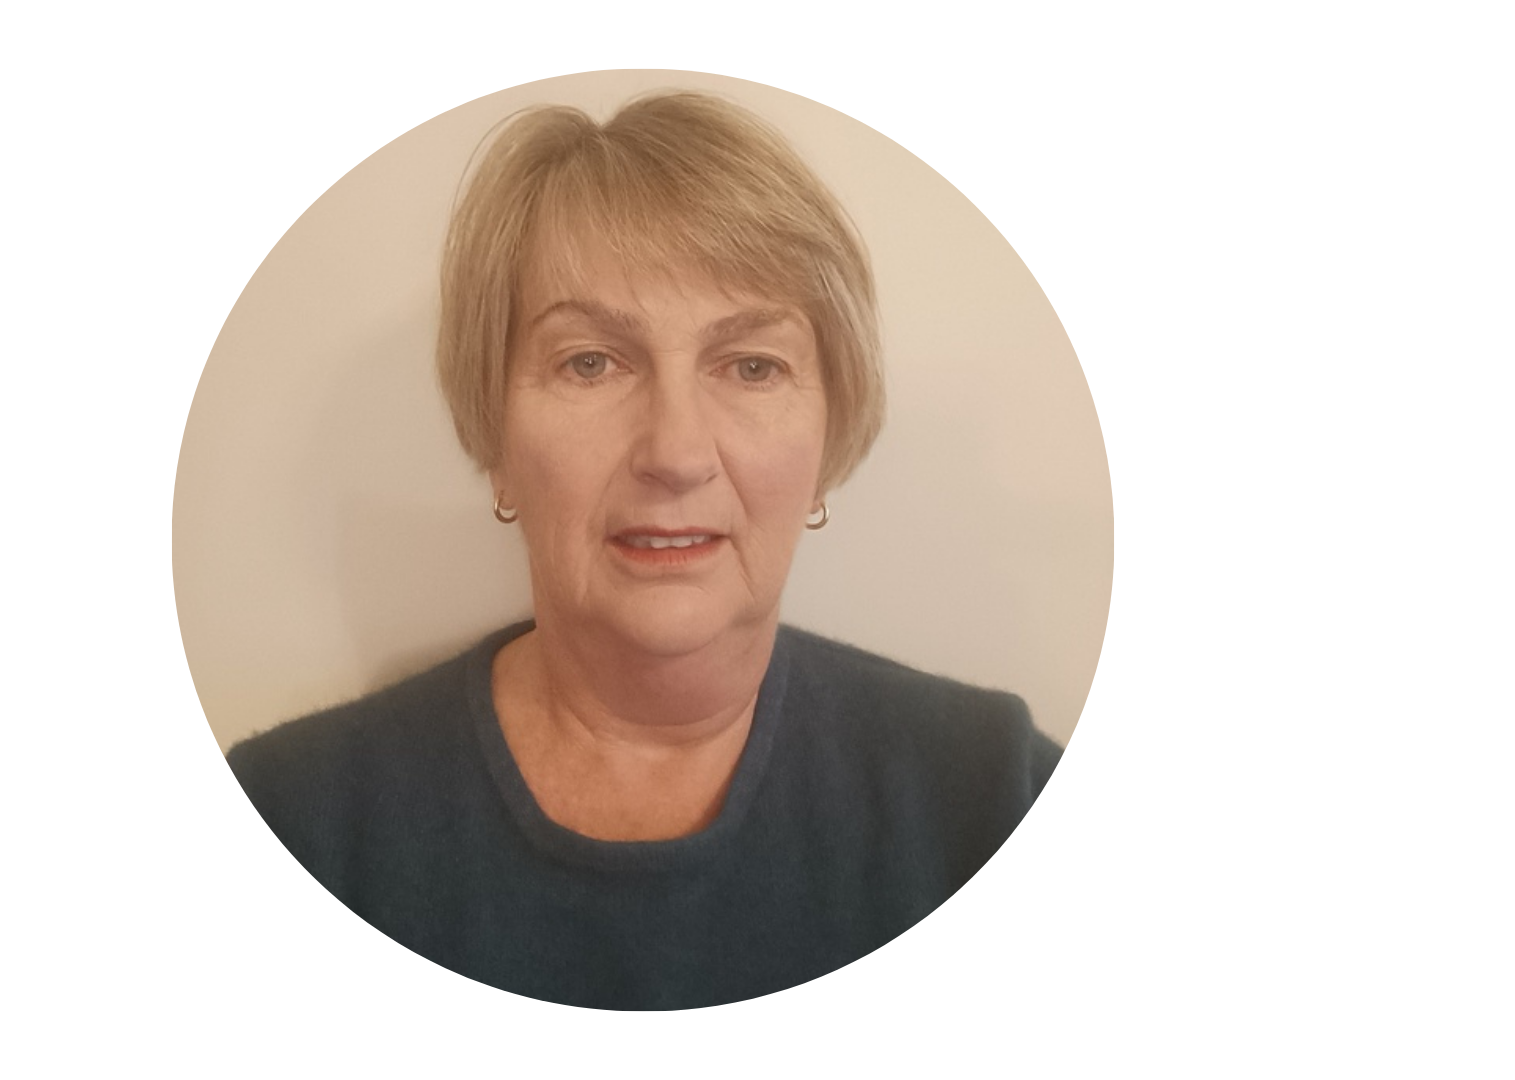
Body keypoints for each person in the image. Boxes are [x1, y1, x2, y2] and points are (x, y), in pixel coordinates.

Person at [226, 90, 1061, 1010]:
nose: (675, 452)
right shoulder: (288, 828)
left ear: (830, 435)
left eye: (752, 365)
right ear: (496, 436)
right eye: (590, 362)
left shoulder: (997, 802)